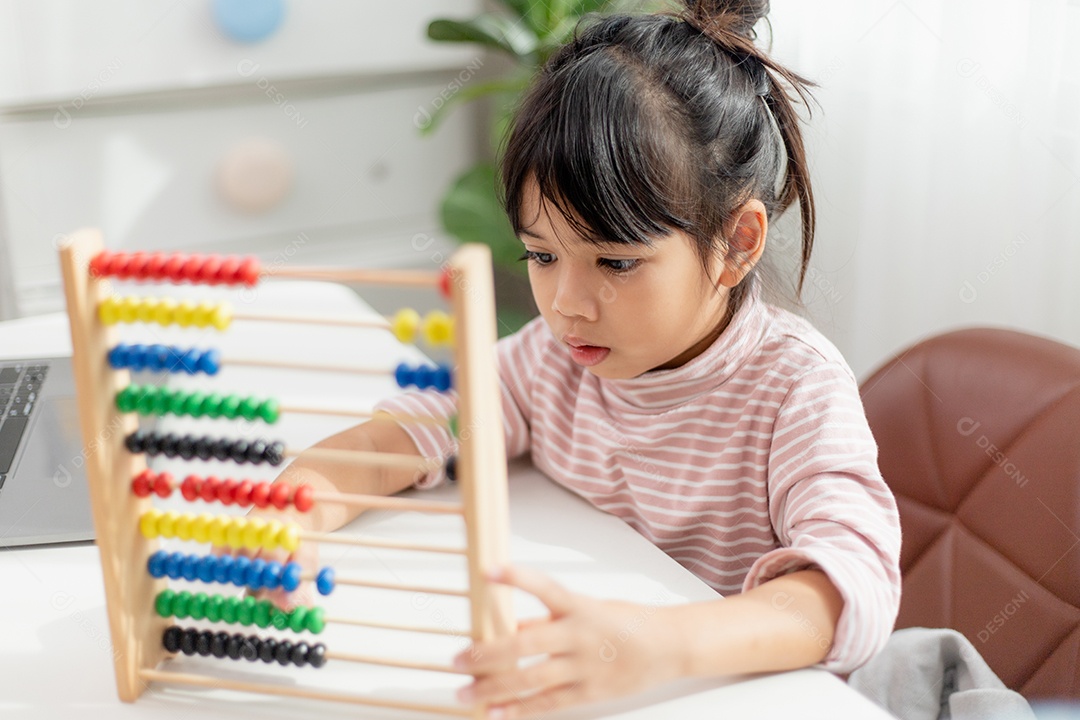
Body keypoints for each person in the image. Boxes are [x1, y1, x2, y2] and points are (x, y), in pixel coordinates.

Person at [279, 1, 901, 717]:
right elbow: (412, 430)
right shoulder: (552, 361)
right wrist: (298, 507)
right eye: (541, 255)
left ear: (738, 243)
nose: (567, 303)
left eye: (615, 261)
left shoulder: (795, 389)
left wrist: (658, 644)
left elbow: (854, 586)